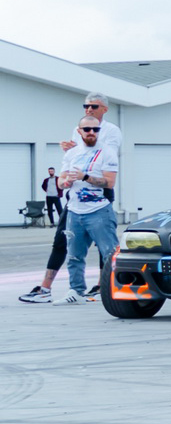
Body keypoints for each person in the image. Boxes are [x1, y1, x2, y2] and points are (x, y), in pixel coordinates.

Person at [53, 117, 122, 304]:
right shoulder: (72, 153)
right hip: (75, 211)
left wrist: (85, 177)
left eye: (95, 129)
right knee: (74, 255)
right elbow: (60, 181)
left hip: (99, 210)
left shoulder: (107, 152)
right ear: (79, 131)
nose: (92, 132)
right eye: (87, 129)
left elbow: (109, 182)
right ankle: (76, 291)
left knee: (110, 253)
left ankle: (116, 289)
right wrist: (66, 182)